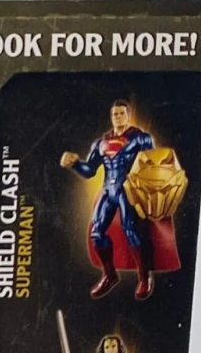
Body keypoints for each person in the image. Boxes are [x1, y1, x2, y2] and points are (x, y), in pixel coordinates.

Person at [61, 100, 157, 300]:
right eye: (115, 114)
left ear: (128, 115)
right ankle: (110, 275)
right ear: (111, 116)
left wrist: (147, 191)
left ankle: (144, 277)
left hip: (128, 189)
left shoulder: (140, 138)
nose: (118, 117)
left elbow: (152, 165)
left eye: (122, 113)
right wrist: (75, 164)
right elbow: (90, 170)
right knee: (96, 232)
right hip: (108, 190)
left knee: (131, 230)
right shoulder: (101, 143)